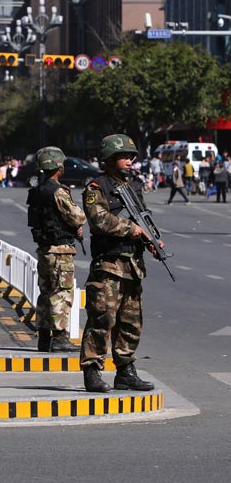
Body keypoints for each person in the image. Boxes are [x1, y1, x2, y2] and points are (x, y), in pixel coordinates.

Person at [80, 134, 161, 393]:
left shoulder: (132, 187)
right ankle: (92, 371)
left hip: (133, 266)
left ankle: (125, 370)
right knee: (102, 319)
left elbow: (143, 218)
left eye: (131, 157)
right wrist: (131, 229)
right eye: (124, 156)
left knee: (130, 322)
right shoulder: (96, 188)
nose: (129, 161)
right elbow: (99, 221)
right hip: (108, 266)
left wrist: (153, 240)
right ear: (110, 158)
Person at [26, 147, 87, 353]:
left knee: (45, 293)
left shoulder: (36, 191)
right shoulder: (58, 191)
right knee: (62, 292)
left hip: (44, 250)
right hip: (60, 250)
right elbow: (78, 216)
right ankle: (60, 337)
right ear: (58, 166)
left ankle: (44, 338)